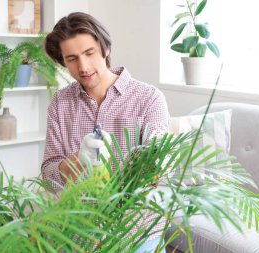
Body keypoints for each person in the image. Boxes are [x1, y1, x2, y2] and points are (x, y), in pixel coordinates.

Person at [42, 12, 169, 253]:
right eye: (72, 58)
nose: (83, 66)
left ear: (105, 48)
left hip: (136, 233)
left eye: (89, 53)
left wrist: (148, 168)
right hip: (77, 232)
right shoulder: (60, 103)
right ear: (63, 62)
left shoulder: (149, 99)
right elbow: (48, 174)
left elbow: (159, 164)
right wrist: (71, 165)